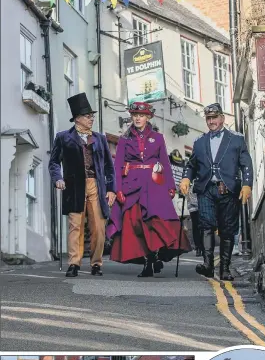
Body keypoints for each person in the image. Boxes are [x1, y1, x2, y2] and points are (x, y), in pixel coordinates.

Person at [107, 102, 191, 277]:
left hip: (154, 185)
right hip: (131, 186)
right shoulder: (124, 139)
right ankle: (147, 260)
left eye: (142, 115)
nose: (138, 118)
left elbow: (165, 164)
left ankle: (153, 257)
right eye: (135, 115)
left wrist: (170, 186)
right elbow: (118, 166)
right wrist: (118, 189)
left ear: (148, 117)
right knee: (135, 224)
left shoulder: (158, 138)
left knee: (156, 223)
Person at [179, 103, 253, 281]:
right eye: (208, 118)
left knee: (228, 229)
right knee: (206, 225)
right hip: (206, 189)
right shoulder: (199, 142)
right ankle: (208, 264)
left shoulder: (236, 139)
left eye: (214, 118)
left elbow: (246, 164)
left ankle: (225, 269)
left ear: (222, 118)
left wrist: (247, 184)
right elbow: (191, 165)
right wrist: (186, 178)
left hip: (228, 189)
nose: (211, 121)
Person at [49, 92, 116, 277]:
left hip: (96, 184)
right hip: (73, 185)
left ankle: (96, 263)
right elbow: (54, 162)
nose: (91, 119)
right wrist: (58, 178)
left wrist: (111, 189)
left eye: (92, 116)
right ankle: (74, 263)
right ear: (77, 118)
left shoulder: (100, 138)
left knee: (98, 226)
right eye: (88, 116)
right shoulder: (63, 137)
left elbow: (110, 167)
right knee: (75, 226)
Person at [187, 184, 203, 257]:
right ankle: (198, 247)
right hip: (193, 206)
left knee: (203, 226)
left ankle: (203, 247)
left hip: (203, 204)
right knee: (196, 226)